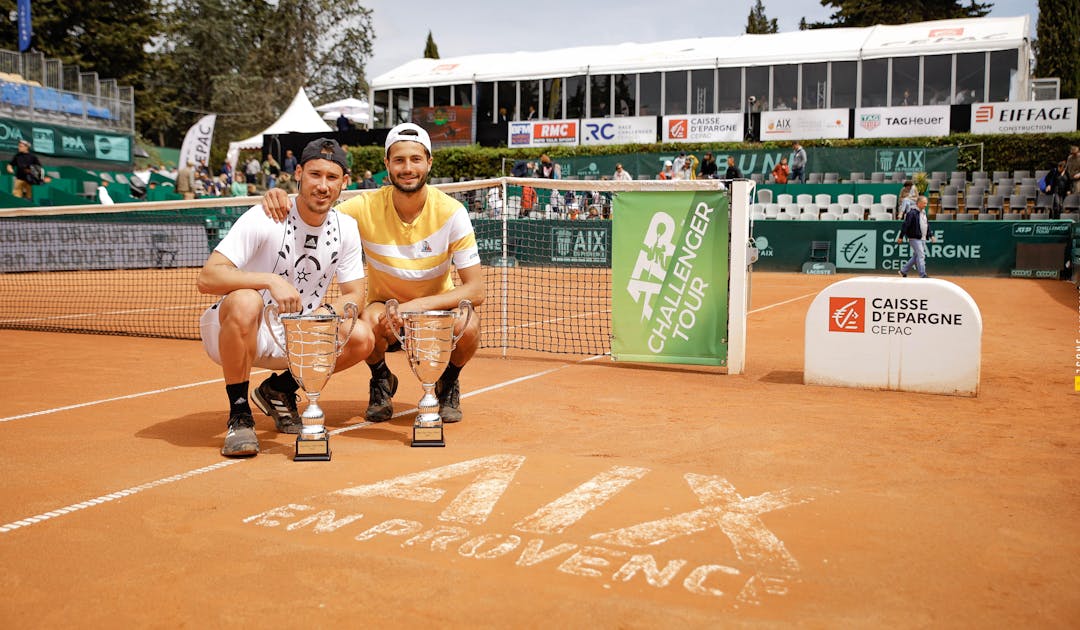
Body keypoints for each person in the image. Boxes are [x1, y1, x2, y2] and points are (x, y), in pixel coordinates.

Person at [263, 123, 484, 425]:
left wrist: (409, 309)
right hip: (383, 311)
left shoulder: (452, 212)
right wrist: (281, 195)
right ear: (387, 165)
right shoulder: (362, 208)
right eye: (399, 160)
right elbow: (316, 204)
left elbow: (476, 291)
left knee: (469, 323)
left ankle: (448, 382)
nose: (408, 168)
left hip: (434, 311)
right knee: (365, 319)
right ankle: (381, 379)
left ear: (429, 163)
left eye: (416, 159)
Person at [197, 138, 374, 457]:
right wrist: (268, 281)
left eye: (332, 178)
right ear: (299, 174)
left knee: (361, 336)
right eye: (315, 175)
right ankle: (239, 417)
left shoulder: (346, 228)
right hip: (239, 327)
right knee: (246, 300)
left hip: (296, 335)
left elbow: (356, 293)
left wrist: (329, 311)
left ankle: (279, 389)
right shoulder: (265, 216)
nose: (322, 186)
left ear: (344, 183)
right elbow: (208, 277)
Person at [897, 196, 934, 278]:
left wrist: (931, 235)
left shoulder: (923, 213)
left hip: (923, 238)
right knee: (921, 255)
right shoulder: (912, 213)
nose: (926, 205)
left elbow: (926, 225)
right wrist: (901, 237)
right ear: (919, 203)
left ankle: (903, 271)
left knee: (916, 256)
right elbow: (905, 225)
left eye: (926, 203)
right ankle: (923, 274)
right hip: (914, 238)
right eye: (924, 203)